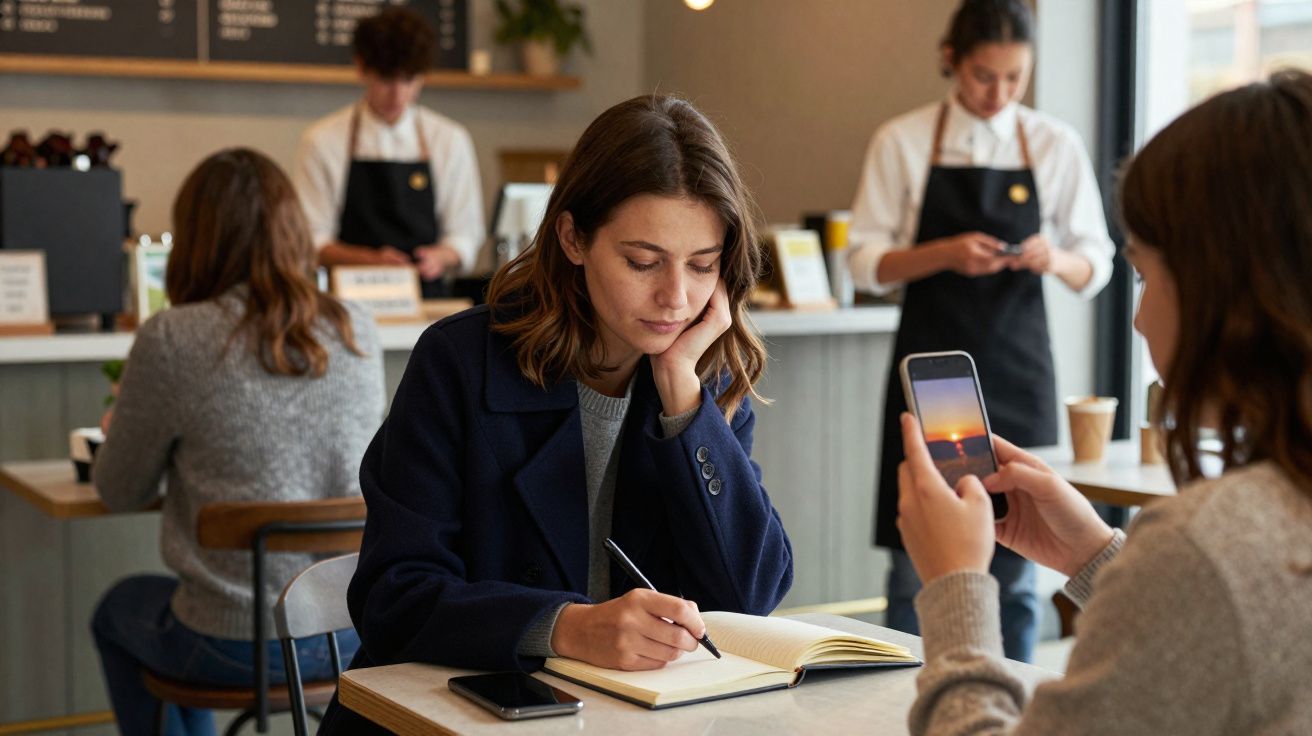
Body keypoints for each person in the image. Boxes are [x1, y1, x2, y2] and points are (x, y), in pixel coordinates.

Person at [317, 94, 794, 734]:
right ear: (573, 238)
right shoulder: (461, 362)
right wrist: (567, 628)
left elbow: (749, 597)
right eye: (642, 262)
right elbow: (392, 596)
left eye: (703, 265)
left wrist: (684, 399)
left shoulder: (703, 376)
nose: (677, 298)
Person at [897, 69, 1312, 734]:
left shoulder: (1205, 545)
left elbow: (1215, 585)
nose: (1139, 320)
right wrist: (1098, 557)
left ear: (1225, 292)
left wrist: (955, 589)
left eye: (1144, 275)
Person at [847, 0, 1114, 662]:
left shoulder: (1053, 143)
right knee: (915, 565)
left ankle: (1014, 701)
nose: (998, 93)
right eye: (983, 76)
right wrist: (945, 253)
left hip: (1017, 370)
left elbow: (1096, 263)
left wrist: (1054, 257)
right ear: (951, 61)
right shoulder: (903, 139)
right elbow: (864, 261)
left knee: (1017, 566)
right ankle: (901, 699)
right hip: (931, 374)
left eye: (1014, 78)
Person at [90, 148, 386, 736]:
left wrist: (123, 423)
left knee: (118, 610)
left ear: (195, 240)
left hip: (231, 641)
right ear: (294, 231)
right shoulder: (357, 328)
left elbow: (119, 490)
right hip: (349, 633)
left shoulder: (173, 338)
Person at [293, 5, 485, 298]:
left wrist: (440, 257)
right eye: (386, 79)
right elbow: (311, 239)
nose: (398, 94)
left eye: (408, 80)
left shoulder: (450, 139)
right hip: (347, 301)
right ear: (361, 68)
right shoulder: (323, 140)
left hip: (429, 301)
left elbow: (465, 234)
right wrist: (370, 261)